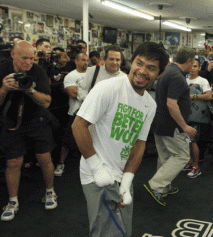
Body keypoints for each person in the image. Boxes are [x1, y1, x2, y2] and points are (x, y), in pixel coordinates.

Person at [72, 42, 169, 237]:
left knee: (123, 229)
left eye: (150, 68)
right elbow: (78, 125)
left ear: (159, 73)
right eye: (139, 63)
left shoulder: (149, 104)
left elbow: (139, 143)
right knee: (106, 232)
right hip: (96, 175)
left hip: (119, 175)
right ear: (130, 63)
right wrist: (97, 167)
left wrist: (127, 180)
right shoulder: (108, 88)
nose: (142, 71)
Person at [0, 41, 58, 221]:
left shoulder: (38, 71)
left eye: (31, 58)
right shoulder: (1, 72)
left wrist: (30, 90)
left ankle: (50, 192)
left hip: (36, 119)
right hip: (11, 121)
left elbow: (47, 102)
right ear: (13, 55)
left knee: (44, 158)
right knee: (13, 162)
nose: (28, 62)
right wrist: (4, 88)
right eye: (24, 58)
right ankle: (12, 201)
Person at [143, 46, 197, 207]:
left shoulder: (169, 71)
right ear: (188, 61)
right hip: (171, 124)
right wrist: (184, 126)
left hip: (160, 122)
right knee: (181, 156)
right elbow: (171, 104)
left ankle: (164, 187)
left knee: (166, 157)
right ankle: (156, 185)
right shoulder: (176, 76)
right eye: (192, 62)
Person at [54, 53, 89, 176]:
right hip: (76, 112)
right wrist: (92, 94)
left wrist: (84, 94)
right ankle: (61, 163)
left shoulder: (92, 74)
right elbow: (73, 94)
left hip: (91, 112)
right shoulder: (71, 76)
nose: (86, 62)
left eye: (87, 60)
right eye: (83, 60)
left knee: (93, 139)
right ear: (76, 61)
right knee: (68, 140)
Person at [183, 59, 212, 178]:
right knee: (185, 141)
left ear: (199, 68)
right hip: (184, 114)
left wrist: (193, 96)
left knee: (193, 141)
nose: (192, 68)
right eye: (191, 65)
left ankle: (196, 167)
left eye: (195, 66)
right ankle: (190, 162)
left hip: (196, 115)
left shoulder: (202, 81)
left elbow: (209, 96)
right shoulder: (183, 79)